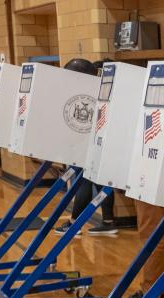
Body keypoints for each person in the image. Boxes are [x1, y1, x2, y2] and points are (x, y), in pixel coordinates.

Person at [54, 59, 117, 236]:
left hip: (97, 144)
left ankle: (74, 223)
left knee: (86, 181)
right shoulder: (101, 88)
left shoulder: (90, 92)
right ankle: (108, 221)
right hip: (101, 144)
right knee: (101, 181)